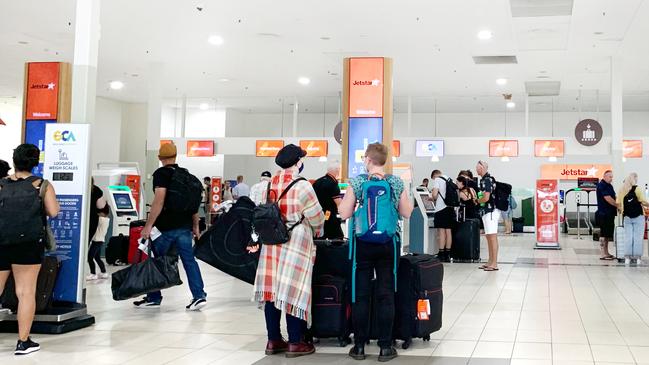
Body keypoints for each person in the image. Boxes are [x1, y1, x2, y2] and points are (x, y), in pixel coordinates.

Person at [248, 144, 325, 359]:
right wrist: (317, 230)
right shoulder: (303, 186)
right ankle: (295, 341)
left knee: (271, 291)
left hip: (272, 240)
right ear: (298, 162)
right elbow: (317, 218)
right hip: (296, 241)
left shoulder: (268, 185)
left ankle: (273, 340)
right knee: (293, 290)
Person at [339, 143, 413, 362]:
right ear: (384, 160)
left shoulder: (359, 182)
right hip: (388, 244)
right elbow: (407, 212)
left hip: (361, 243)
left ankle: (360, 346)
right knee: (386, 293)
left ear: (368, 160)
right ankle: (385, 347)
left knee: (360, 294)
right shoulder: (395, 182)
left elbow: (344, 213)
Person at [0, 143, 60, 355]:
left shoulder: (1, 184)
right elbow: (53, 212)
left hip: (1, 241)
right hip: (28, 243)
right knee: (25, 292)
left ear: (14, 160)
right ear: (35, 162)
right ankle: (23, 342)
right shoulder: (41, 185)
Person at [136, 143, 207, 310]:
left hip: (166, 227)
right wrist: (195, 225)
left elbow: (159, 201)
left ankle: (154, 297)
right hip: (185, 227)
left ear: (160, 158)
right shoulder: (186, 175)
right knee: (189, 260)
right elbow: (192, 204)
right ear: (175, 156)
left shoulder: (161, 174)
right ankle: (199, 296)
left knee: (156, 259)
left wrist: (148, 226)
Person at [616, 173, 649, 265]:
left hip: (626, 216)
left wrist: (621, 211)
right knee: (638, 237)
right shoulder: (637, 189)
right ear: (634, 179)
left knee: (628, 237)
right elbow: (643, 201)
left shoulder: (622, 189)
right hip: (638, 216)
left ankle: (627, 258)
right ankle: (638, 258)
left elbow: (618, 203)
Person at [476, 161, 500, 271]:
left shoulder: (487, 180)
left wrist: (477, 200)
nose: (476, 170)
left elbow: (486, 198)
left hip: (491, 211)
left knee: (492, 237)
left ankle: (494, 263)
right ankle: (490, 261)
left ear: (483, 168)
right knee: (488, 236)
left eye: (478, 168)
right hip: (486, 211)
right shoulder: (484, 179)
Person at [313, 162, 344, 239]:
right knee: (338, 238)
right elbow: (339, 204)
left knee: (320, 239)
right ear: (337, 170)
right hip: (329, 215)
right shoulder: (332, 184)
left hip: (317, 215)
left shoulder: (317, 181)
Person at [430, 170, 455, 262]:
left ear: (435, 175)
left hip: (441, 209)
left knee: (441, 232)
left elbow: (435, 195)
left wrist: (431, 197)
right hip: (450, 208)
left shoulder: (437, 179)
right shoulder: (449, 179)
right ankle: (448, 255)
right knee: (448, 232)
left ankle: (441, 254)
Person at [596, 170, 618, 260]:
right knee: (603, 234)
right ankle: (602, 253)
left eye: (612, 177)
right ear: (604, 176)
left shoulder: (609, 186)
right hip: (604, 213)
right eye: (610, 177)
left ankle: (606, 252)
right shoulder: (601, 185)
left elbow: (614, 197)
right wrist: (618, 205)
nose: (611, 179)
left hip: (610, 213)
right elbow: (608, 198)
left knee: (608, 235)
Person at [87, 206, 110, 280]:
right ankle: (104, 272)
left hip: (97, 241)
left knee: (90, 257)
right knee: (97, 258)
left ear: (103, 213)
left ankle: (93, 274)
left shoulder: (101, 219)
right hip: (100, 240)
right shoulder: (106, 219)